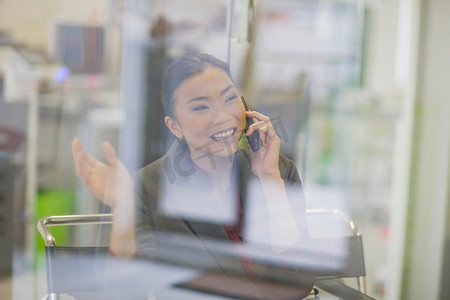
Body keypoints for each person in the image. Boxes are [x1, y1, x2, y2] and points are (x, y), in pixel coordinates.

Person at [72, 53, 313, 296]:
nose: (222, 117)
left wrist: (270, 178)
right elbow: (123, 294)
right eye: (200, 107)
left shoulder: (276, 168)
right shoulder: (150, 187)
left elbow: (299, 282)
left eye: (230, 98)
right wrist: (124, 210)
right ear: (174, 126)